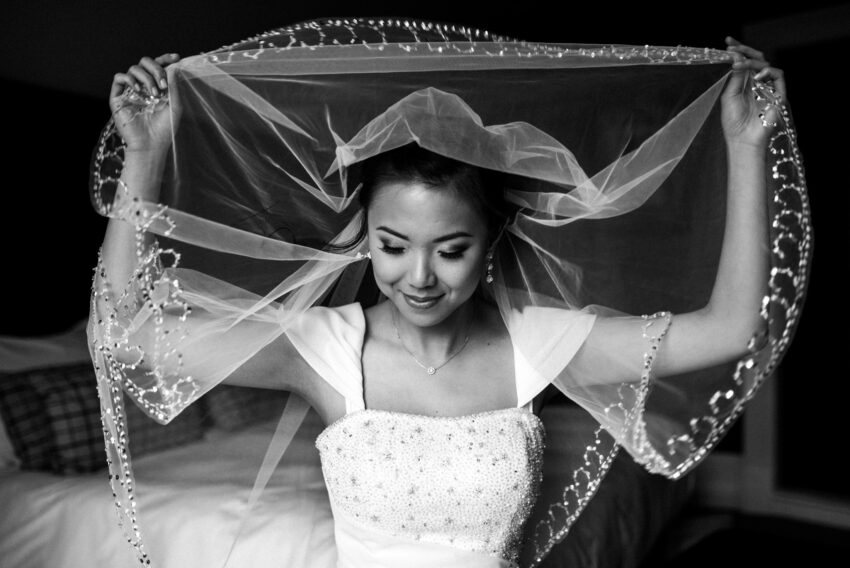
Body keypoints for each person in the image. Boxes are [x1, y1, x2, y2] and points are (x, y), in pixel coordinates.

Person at [90, 19, 804, 568]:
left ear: (490, 245)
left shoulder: (535, 343)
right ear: (364, 237)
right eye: (393, 247)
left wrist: (744, 147)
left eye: (451, 249)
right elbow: (128, 337)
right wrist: (146, 156)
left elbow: (730, 330)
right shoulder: (323, 348)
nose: (420, 277)